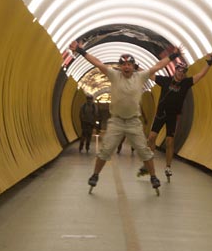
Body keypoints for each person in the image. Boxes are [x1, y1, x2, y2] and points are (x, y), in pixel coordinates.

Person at [69, 40, 181, 195]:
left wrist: (174, 55)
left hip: (133, 122)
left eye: (129, 64)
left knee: (144, 150)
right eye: (124, 64)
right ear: (120, 66)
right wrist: (81, 51)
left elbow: (159, 66)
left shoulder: (140, 76)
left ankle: (153, 177)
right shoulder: (114, 75)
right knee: (106, 149)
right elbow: (97, 63)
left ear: (133, 67)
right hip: (116, 121)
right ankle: (95, 175)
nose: (126, 67)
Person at [138, 51, 212, 180]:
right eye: (180, 71)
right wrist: (137, 68)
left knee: (169, 141)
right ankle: (148, 164)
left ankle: (168, 167)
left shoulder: (185, 83)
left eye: (184, 72)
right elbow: (149, 75)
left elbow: (200, 75)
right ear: (175, 71)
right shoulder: (165, 81)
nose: (182, 73)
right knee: (151, 138)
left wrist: (209, 64)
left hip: (172, 116)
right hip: (161, 114)